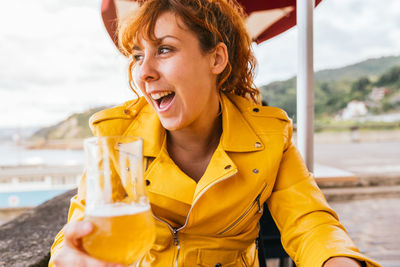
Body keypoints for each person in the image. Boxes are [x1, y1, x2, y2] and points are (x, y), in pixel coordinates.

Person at [50, 0, 381, 266]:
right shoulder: (116, 138)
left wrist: (338, 261)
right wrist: (71, 256)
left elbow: (309, 220)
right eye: (138, 55)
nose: (144, 72)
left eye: (164, 49)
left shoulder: (268, 135)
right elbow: (81, 228)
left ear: (217, 58)